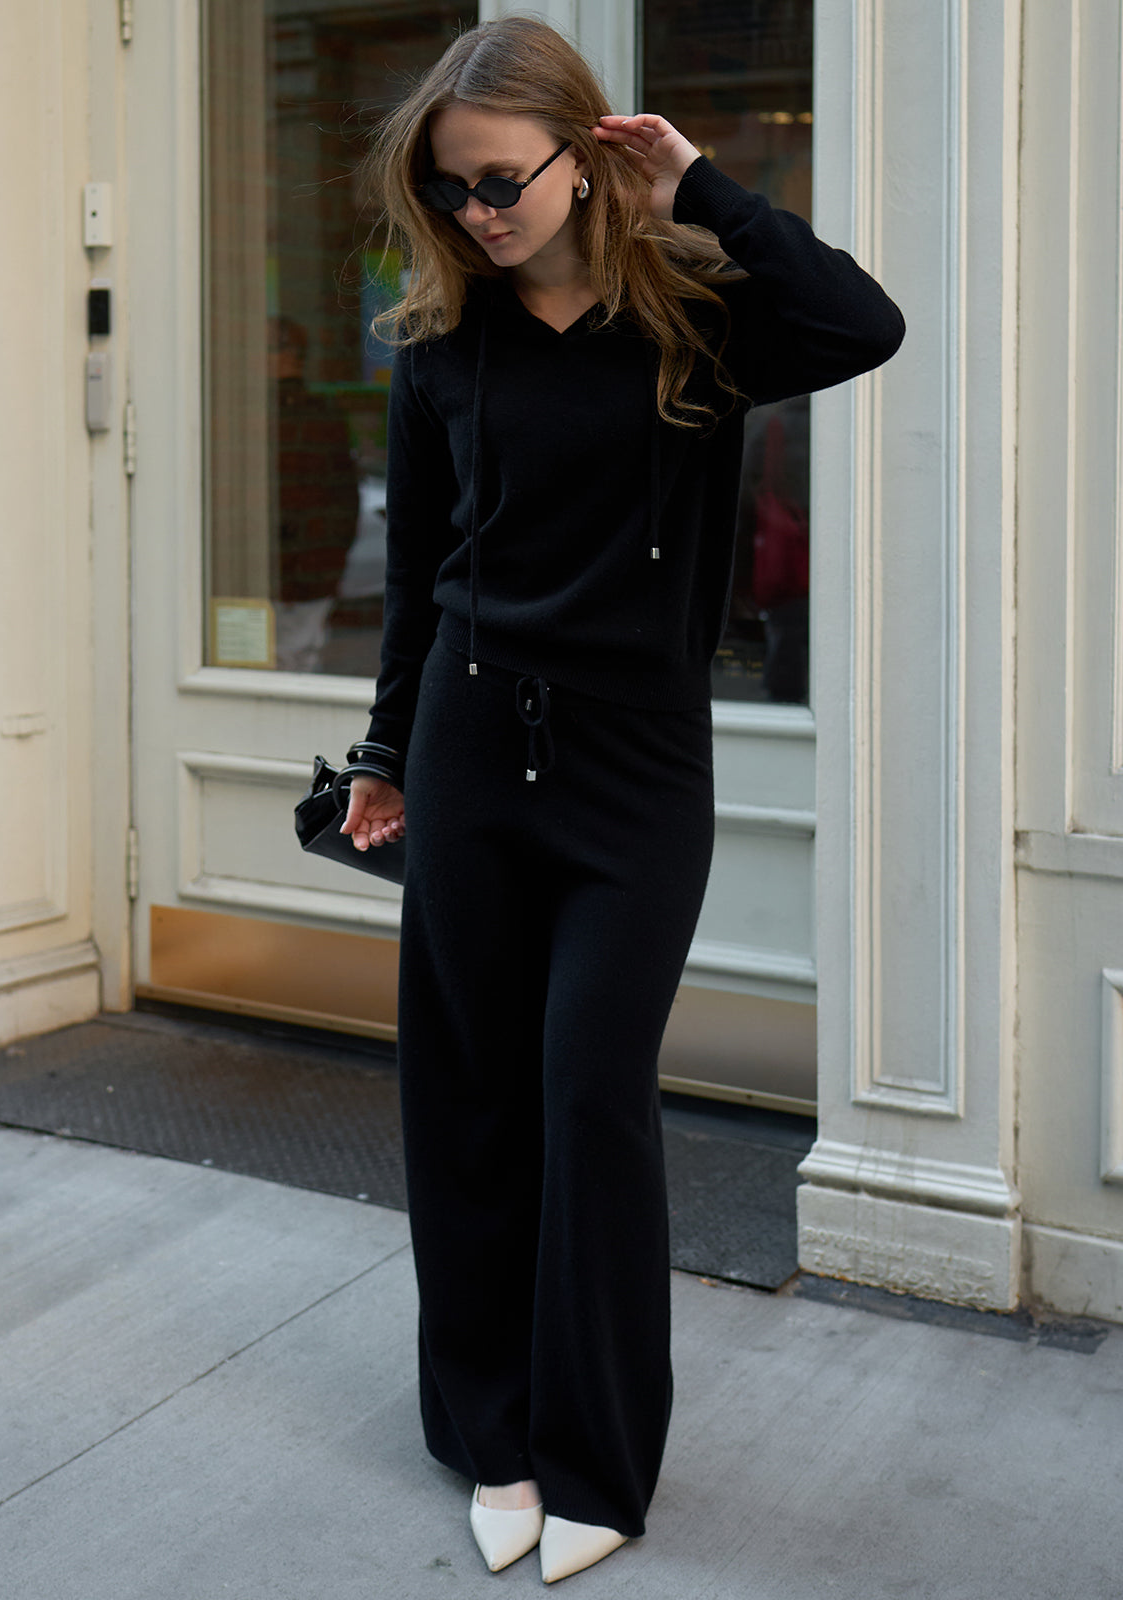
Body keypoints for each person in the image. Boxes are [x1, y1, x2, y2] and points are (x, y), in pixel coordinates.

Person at [339, 16, 904, 1584]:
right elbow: (420, 586)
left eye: (502, 183)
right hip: (468, 750)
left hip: (635, 775)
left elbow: (867, 323)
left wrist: (703, 188)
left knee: (590, 1098)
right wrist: (385, 758)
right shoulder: (442, 345)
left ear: (583, 160)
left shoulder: (703, 328)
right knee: (467, 1100)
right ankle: (492, 1434)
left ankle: (595, 1454)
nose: (478, 218)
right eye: (451, 194)